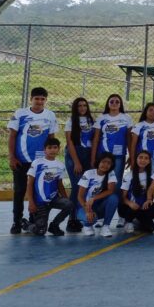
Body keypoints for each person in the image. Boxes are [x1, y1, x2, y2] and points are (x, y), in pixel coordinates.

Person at [7, 86, 58, 234]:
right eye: (37, 98)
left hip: (40, 162)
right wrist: (12, 156)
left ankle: (33, 220)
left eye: (43, 99)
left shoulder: (50, 115)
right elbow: (12, 136)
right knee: (19, 191)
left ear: (46, 101)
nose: (39, 101)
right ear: (31, 99)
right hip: (21, 161)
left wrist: (50, 159)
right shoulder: (20, 113)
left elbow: (51, 139)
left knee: (36, 192)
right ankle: (16, 221)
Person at [25, 137, 72, 236]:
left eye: (55, 147)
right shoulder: (37, 163)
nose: (52, 150)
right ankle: (26, 224)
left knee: (70, 205)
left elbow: (60, 184)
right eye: (49, 147)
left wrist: (66, 199)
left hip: (54, 199)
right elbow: (30, 184)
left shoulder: (60, 165)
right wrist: (31, 203)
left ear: (59, 149)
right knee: (40, 232)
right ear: (44, 150)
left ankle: (54, 226)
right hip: (40, 202)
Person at [64, 96, 94, 233]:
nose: (82, 108)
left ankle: (85, 217)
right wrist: (76, 162)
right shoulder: (71, 121)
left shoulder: (92, 121)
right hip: (74, 154)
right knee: (77, 187)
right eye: (79, 106)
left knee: (87, 188)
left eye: (84, 106)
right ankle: (71, 219)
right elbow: (69, 142)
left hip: (88, 154)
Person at [91, 94, 132, 186]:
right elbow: (96, 139)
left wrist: (131, 155)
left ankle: (115, 200)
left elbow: (129, 138)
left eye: (117, 101)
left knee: (116, 181)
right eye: (111, 101)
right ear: (108, 104)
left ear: (120, 104)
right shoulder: (101, 118)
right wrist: (93, 158)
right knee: (101, 181)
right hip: (103, 154)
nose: (114, 103)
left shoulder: (127, 118)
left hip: (119, 155)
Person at [77, 153, 119, 238]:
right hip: (86, 206)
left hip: (100, 206)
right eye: (103, 162)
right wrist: (87, 210)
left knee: (114, 198)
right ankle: (87, 226)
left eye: (109, 163)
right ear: (98, 162)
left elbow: (111, 190)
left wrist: (94, 198)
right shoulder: (89, 173)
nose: (106, 165)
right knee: (89, 219)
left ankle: (105, 227)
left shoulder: (111, 173)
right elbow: (80, 196)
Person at [118, 150, 153, 233]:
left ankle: (136, 221)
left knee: (150, 228)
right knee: (132, 209)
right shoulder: (129, 175)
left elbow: (151, 195)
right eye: (140, 157)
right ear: (136, 159)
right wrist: (130, 203)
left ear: (149, 161)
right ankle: (128, 221)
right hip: (130, 207)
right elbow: (122, 197)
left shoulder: (151, 176)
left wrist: (149, 201)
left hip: (142, 207)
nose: (143, 160)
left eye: (146, 158)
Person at [130, 102, 154, 171]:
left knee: (152, 179)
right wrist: (132, 160)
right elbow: (133, 145)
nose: (153, 112)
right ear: (146, 112)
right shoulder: (139, 125)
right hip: (141, 158)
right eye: (150, 110)